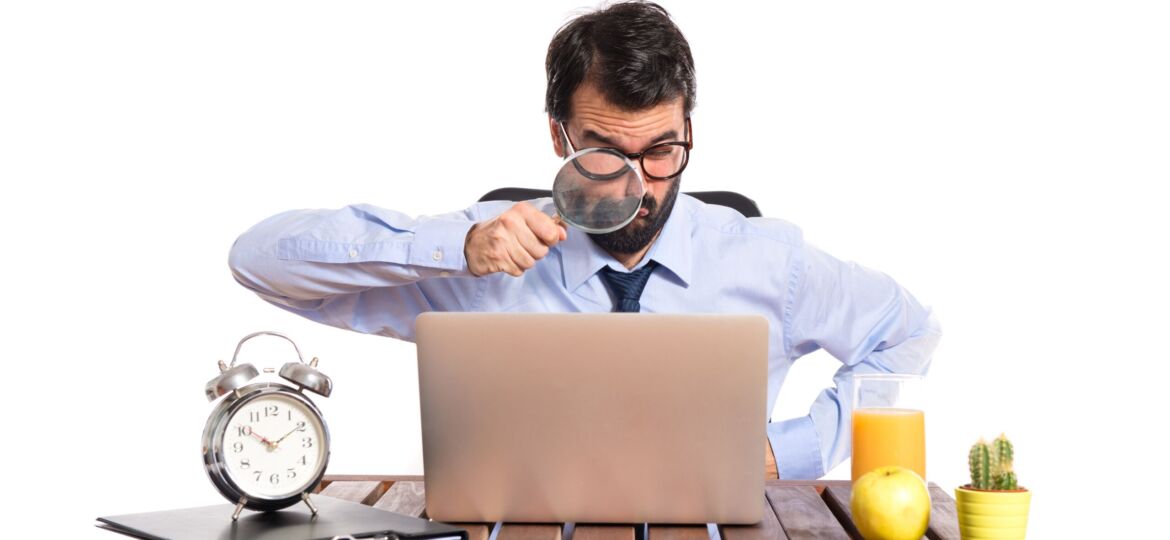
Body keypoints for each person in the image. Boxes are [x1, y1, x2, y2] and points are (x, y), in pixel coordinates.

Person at [228, 1, 941, 480]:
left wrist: (785, 452)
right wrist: (453, 249)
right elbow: (260, 263)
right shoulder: (482, 254)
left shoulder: (767, 262)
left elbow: (907, 332)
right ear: (557, 136)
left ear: (689, 130)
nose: (640, 186)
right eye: (605, 153)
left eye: (662, 151)